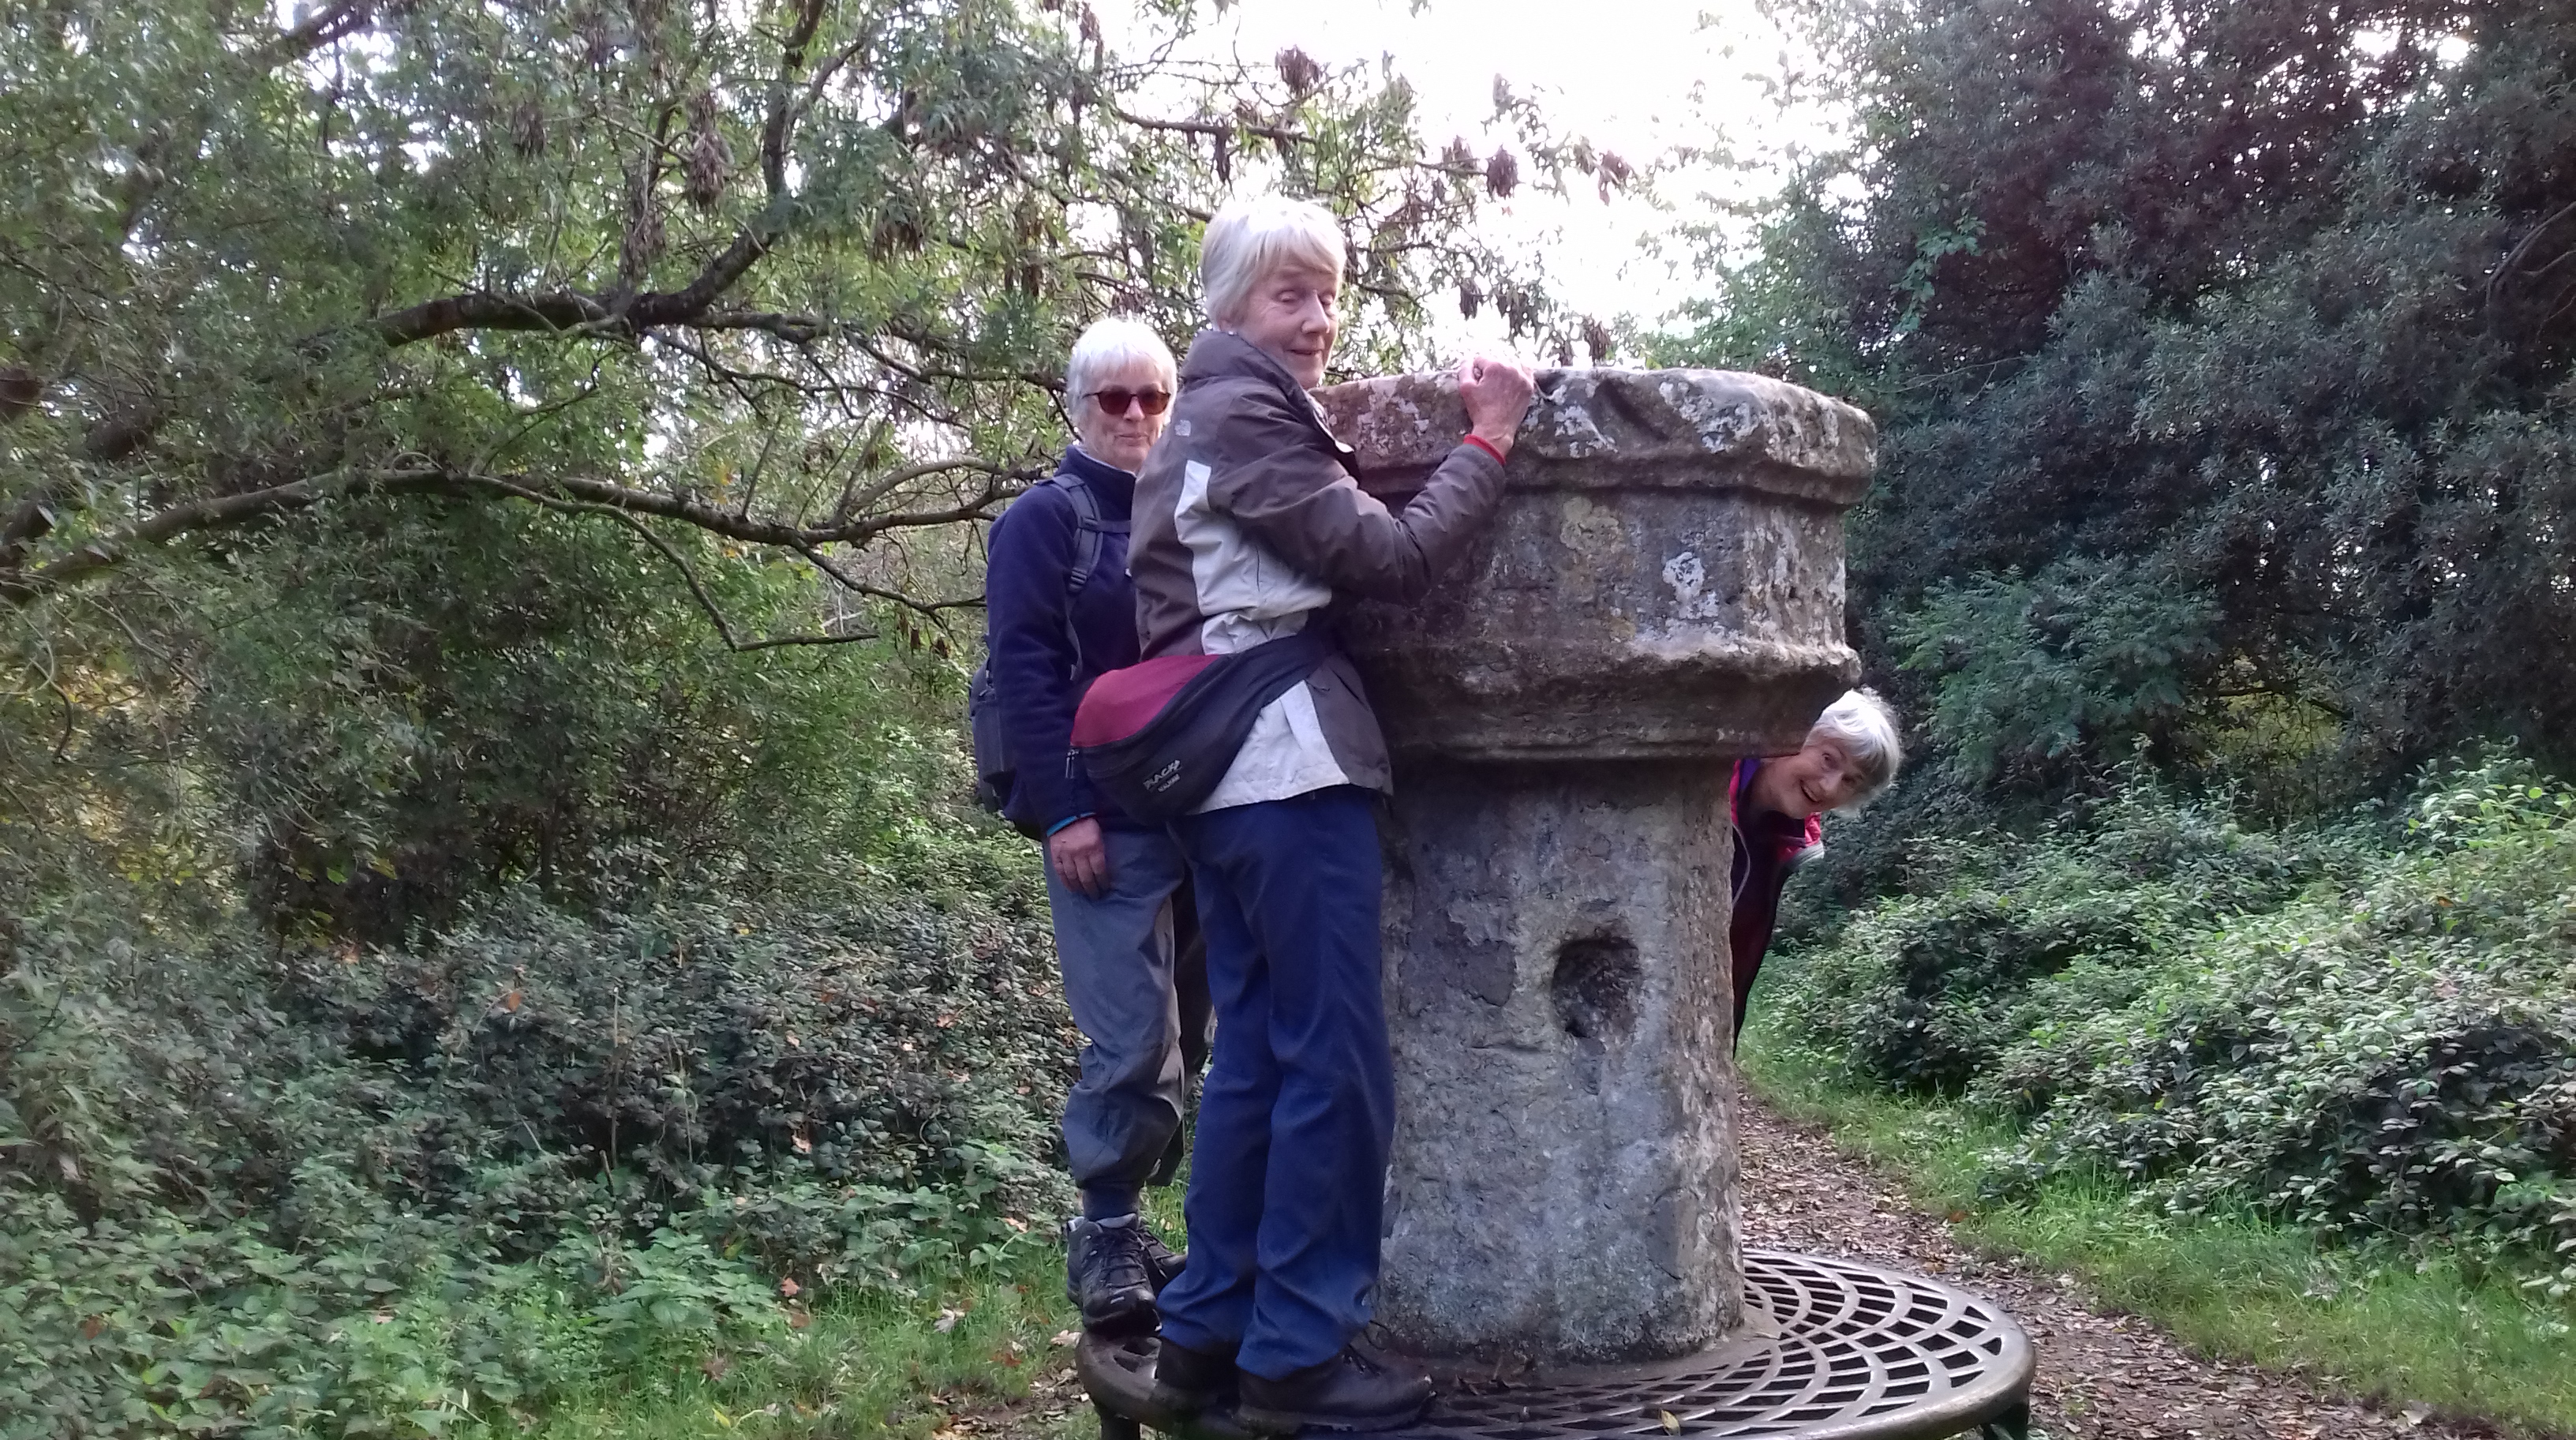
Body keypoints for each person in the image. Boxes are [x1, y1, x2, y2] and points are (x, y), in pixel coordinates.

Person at [1124, 193, 1537, 1434]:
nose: (1316, 321)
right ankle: (1298, 1354)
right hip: (1284, 770)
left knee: (1256, 1054)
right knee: (1334, 1063)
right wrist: (1491, 441)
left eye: (1328, 296)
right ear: (1230, 304)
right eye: (1288, 294)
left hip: (1226, 780)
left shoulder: (1212, 414)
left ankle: (1206, 1336)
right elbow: (1393, 559)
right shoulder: (1244, 417)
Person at [983, 317, 1209, 1334]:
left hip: (1200, 810)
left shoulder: (1194, 508)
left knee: (1192, 1036)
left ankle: (1145, 1227)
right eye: (1114, 398)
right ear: (1078, 408)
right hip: (1103, 823)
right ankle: (1107, 1231)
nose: (1135, 415)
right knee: (1131, 1036)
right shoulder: (1046, 522)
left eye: (1153, 396)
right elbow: (1026, 677)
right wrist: (1064, 814)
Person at [1726, 688, 1904, 1041]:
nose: (1829, 787)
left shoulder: (1780, 842)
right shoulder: (1697, 790)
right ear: (1790, 735)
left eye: (1851, 781)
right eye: (1828, 759)